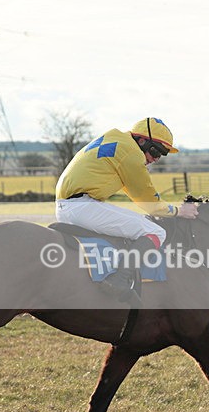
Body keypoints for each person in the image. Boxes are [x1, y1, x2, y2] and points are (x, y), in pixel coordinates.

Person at [55, 117, 198, 306]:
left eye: (162, 155)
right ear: (141, 141)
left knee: (138, 223)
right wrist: (179, 211)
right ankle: (119, 279)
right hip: (81, 207)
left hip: (73, 205)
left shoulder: (116, 139)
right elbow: (150, 203)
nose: (155, 159)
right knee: (156, 231)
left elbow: (133, 192)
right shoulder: (131, 155)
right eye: (156, 151)